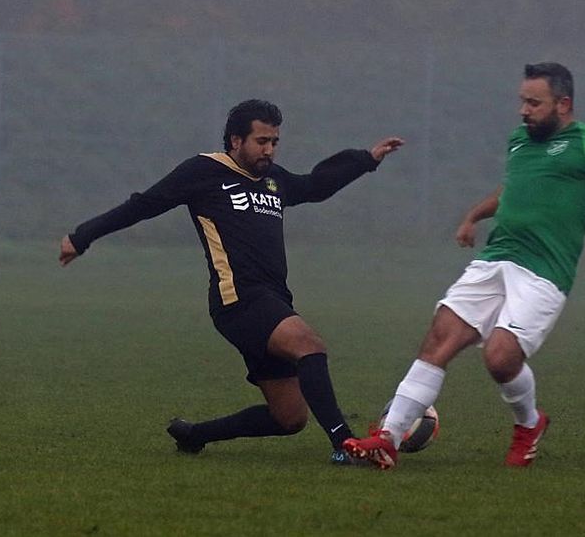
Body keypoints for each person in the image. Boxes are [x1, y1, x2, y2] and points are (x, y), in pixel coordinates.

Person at [59, 99, 404, 464]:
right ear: (236, 141)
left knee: (289, 418)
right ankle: (344, 444)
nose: (268, 150)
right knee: (309, 345)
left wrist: (365, 160)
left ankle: (196, 435)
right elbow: (143, 204)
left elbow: (315, 185)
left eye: (274, 142)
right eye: (261, 141)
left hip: (274, 300)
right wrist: (83, 236)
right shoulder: (203, 171)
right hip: (237, 300)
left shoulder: (274, 180)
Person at [343, 63, 585, 469]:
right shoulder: (520, 140)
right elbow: (514, 189)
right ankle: (389, 438)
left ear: (564, 104)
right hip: (495, 258)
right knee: (440, 338)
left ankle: (530, 423)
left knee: (501, 358)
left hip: (543, 272)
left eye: (534, 103)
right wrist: (474, 216)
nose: (524, 110)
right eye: (522, 101)